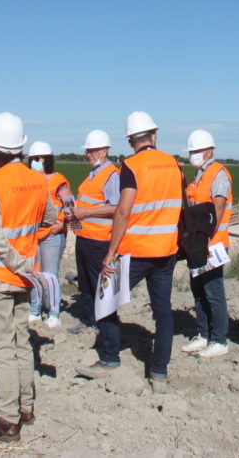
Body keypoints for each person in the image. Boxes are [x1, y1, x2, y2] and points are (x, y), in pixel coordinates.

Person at [0, 113, 56, 443]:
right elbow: (50, 219)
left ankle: (7, 421)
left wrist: (17, 262)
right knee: (21, 342)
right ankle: (26, 408)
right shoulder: (37, 180)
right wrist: (28, 260)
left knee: (2, 349)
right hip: (22, 278)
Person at [76, 112, 181, 393]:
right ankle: (159, 373)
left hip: (135, 250)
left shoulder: (131, 166)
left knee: (105, 299)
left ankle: (110, 358)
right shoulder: (173, 164)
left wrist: (110, 252)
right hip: (166, 251)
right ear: (154, 135)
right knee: (163, 313)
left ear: (130, 140)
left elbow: (122, 211)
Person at [181, 129, 233, 358]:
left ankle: (219, 340)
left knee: (213, 292)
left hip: (213, 244)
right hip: (197, 244)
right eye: (191, 151)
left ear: (209, 151)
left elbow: (218, 208)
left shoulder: (217, 173)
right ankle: (203, 334)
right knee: (199, 291)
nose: (193, 155)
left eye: (197, 151)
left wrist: (209, 243)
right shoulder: (197, 177)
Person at [66, 129, 120, 334]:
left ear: (105, 151)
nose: (89, 154)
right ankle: (89, 319)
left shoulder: (112, 176)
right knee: (87, 284)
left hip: (100, 240)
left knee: (101, 286)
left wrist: (86, 213)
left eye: (93, 150)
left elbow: (117, 208)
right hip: (85, 237)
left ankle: (104, 323)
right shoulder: (92, 175)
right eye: (88, 151)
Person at [25, 141, 68, 327]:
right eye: (33, 159)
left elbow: (70, 207)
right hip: (34, 234)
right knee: (34, 273)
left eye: (39, 158)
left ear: (48, 160)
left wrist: (62, 224)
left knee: (50, 274)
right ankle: (35, 309)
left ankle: (53, 312)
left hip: (52, 234)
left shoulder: (59, 181)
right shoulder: (30, 181)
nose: (35, 162)